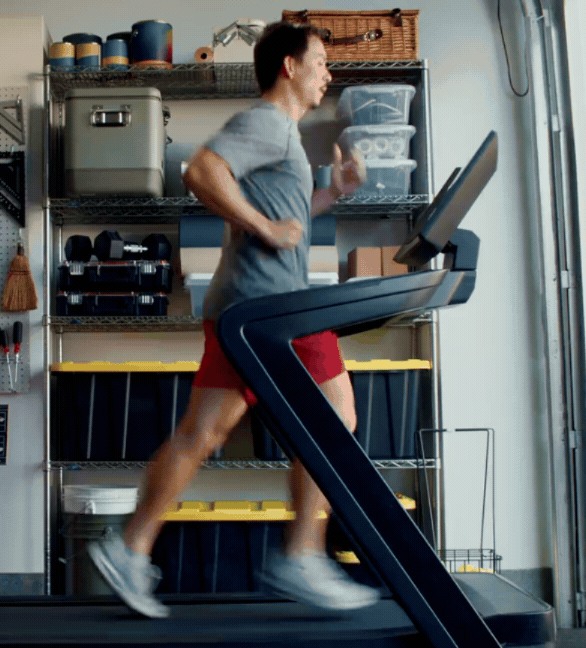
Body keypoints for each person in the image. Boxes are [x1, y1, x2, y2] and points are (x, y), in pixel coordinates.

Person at [86, 21, 378, 619]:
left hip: (252, 305)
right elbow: (201, 171)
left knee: (203, 434)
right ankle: (301, 555)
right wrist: (264, 227)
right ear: (289, 66)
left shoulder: (284, 134)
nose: (327, 74)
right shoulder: (267, 121)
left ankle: (130, 546)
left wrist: (332, 194)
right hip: (271, 308)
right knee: (335, 417)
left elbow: (285, 212)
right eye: (320, 62)